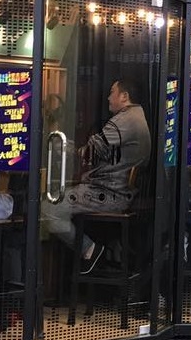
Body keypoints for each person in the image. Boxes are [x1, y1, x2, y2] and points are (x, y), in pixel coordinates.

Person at [43, 79, 151, 273]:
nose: (108, 97)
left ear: (124, 96)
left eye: (112, 92)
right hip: (119, 193)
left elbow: (91, 152)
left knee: (49, 207)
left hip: (108, 193)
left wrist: (63, 145)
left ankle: (90, 250)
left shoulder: (125, 120)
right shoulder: (137, 116)